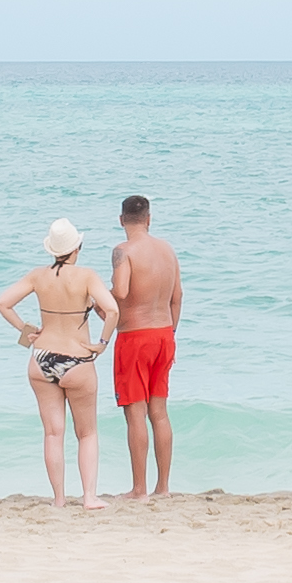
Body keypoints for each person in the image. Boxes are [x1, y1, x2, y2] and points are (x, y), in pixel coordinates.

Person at [0, 221, 116, 504]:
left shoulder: (38, 276)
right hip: (77, 360)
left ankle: (59, 499)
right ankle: (89, 498)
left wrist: (26, 331)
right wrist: (103, 343)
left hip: (41, 359)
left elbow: (2, 303)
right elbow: (112, 310)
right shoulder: (86, 276)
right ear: (77, 247)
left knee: (52, 433)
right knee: (87, 433)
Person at [109, 194, 186, 499]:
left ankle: (139, 489)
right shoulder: (168, 250)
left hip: (134, 338)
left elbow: (122, 291)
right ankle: (163, 488)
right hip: (165, 335)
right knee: (160, 413)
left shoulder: (122, 251)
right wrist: (170, 333)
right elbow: (177, 297)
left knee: (136, 414)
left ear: (121, 220)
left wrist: (100, 295)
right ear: (149, 219)